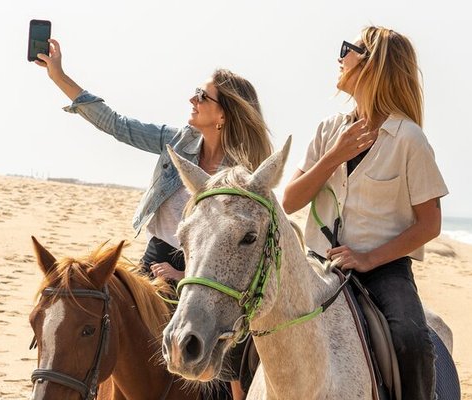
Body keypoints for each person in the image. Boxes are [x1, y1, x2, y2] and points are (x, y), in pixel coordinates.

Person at [36, 38, 273, 400]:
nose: (192, 100)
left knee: (236, 346)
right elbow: (117, 124)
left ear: (223, 114)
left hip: (214, 272)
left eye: (201, 96)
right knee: (100, 321)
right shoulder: (177, 141)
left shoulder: (242, 173)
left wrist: (185, 276)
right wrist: (59, 76)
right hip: (155, 257)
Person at [283, 26, 448, 399]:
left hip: (384, 270)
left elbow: (430, 224)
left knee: (410, 339)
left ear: (373, 65)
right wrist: (333, 157)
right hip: (316, 265)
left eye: (349, 49)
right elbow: (289, 201)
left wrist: (369, 258)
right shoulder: (328, 131)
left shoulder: (409, 139)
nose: (340, 58)